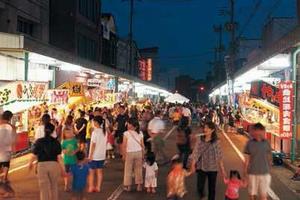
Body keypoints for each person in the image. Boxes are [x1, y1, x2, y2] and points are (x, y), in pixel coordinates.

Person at [29, 123, 65, 200]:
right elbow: (59, 157)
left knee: (43, 188)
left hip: (41, 165)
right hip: (54, 165)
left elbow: (34, 155)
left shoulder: (39, 141)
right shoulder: (56, 142)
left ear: (44, 130)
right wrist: (63, 169)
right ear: (53, 131)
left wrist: (30, 164)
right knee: (54, 186)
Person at [190, 121, 226, 200]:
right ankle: (202, 195)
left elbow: (219, 156)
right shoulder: (200, 139)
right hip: (201, 166)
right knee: (200, 186)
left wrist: (223, 170)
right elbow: (196, 152)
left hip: (212, 168)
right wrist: (192, 165)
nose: (205, 129)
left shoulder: (216, 142)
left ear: (212, 130)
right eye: (205, 127)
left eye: (207, 128)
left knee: (212, 188)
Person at [244, 123, 272, 200]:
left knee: (263, 196)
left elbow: (269, 157)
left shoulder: (267, 143)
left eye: (263, 131)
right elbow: (247, 159)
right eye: (253, 130)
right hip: (252, 173)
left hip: (265, 174)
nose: (252, 132)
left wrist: (269, 169)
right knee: (252, 195)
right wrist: (245, 174)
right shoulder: (249, 143)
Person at [123, 118, 145, 192]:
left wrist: (123, 154)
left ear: (131, 125)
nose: (127, 124)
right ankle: (139, 186)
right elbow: (142, 145)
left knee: (128, 170)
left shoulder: (126, 133)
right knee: (139, 169)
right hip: (138, 152)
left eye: (128, 123)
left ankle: (128, 186)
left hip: (129, 153)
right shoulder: (140, 133)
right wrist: (143, 154)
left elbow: (124, 145)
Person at [88, 116, 107, 193]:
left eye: (93, 122)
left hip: (95, 155)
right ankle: (98, 187)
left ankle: (91, 187)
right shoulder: (104, 132)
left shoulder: (95, 132)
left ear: (96, 122)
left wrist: (90, 155)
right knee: (99, 171)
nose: (92, 123)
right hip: (102, 155)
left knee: (91, 172)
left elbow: (93, 145)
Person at [0, 111, 16, 184]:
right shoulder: (12, 127)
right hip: (7, 147)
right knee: (6, 163)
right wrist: (13, 147)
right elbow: (13, 138)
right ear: (9, 117)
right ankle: (4, 178)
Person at [61, 127, 78, 191]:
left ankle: (73, 185)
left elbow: (77, 148)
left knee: (73, 173)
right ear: (64, 134)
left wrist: (75, 152)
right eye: (67, 133)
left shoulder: (74, 141)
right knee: (66, 173)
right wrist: (64, 151)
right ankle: (66, 185)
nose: (69, 134)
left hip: (74, 160)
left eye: (70, 132)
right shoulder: (64, 142)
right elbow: (62, 149)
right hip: (66, 160)